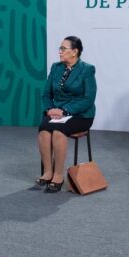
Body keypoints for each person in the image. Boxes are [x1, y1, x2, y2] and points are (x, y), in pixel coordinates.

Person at [35, 36, 96, 193]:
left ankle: (58, 175)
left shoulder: (87, 69)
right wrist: (50, 110)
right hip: (56, 113)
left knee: (58, 131)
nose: (60, 52)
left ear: (75, 52)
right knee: (43, 129)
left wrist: (65, 111)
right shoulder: (56, 67)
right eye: (60, 48)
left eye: (63, 48)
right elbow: (46, 95)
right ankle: (47, 172)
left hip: (81, 115)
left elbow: (88, 99)